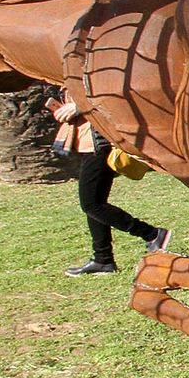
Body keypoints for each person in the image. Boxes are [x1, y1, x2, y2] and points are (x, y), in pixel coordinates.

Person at [50, 94, 170, 276]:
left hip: (100, 145)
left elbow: (106, 96)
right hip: (87, 145)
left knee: (91, 204)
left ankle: (151, 234)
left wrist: (78, 106)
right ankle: (103, 259)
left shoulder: (87, 68)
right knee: (95, 203)